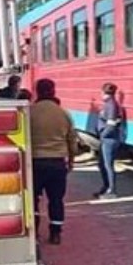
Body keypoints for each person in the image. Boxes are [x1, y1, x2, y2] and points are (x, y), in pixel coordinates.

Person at [29, 78, 77, 244]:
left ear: (37, 91)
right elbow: (72, 139)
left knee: (33, 199)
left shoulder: (30, 112)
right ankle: (55, 233)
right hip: (57, 163)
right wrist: (71, 160)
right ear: (53, 91)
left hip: (34, 163)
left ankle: (34, 232)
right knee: (56, 199)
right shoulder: (63, 113)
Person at [95, 82, 123, 199]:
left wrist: (103, 135)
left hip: (109, 139)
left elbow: (111, 124)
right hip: (108, 138)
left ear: (103, 92)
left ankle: (111, 190)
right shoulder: (109, 103)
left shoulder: (111, 105)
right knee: (102, 164)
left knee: (108, 165)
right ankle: (106, 187)